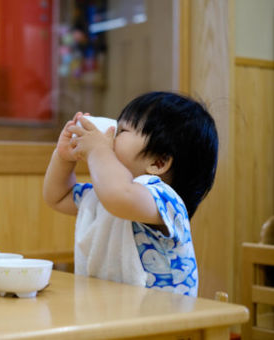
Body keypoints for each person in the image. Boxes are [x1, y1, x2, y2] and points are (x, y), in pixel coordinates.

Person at [43, 92, 219, 296]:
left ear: (158, 163)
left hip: (166, 319)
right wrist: (63, 157)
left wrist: (99, 151)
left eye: (122, 131)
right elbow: (58, 196)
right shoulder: (109, 193)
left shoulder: (164, 199)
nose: (111, 135)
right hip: (119, 314)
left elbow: (119, 196)